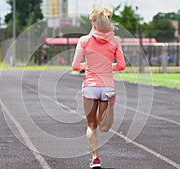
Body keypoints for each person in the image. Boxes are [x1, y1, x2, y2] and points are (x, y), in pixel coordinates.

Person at [72, 3, 126, 168]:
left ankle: (95, 158)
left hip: (90, 86)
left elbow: (75, 66)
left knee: (91, 125)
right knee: (103, 125)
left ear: (92, 21)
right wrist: (109, 67)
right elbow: (122, 66)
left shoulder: (84, 40)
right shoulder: (115, 41)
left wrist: (86, 66)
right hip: (108, 87)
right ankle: (107, 112)